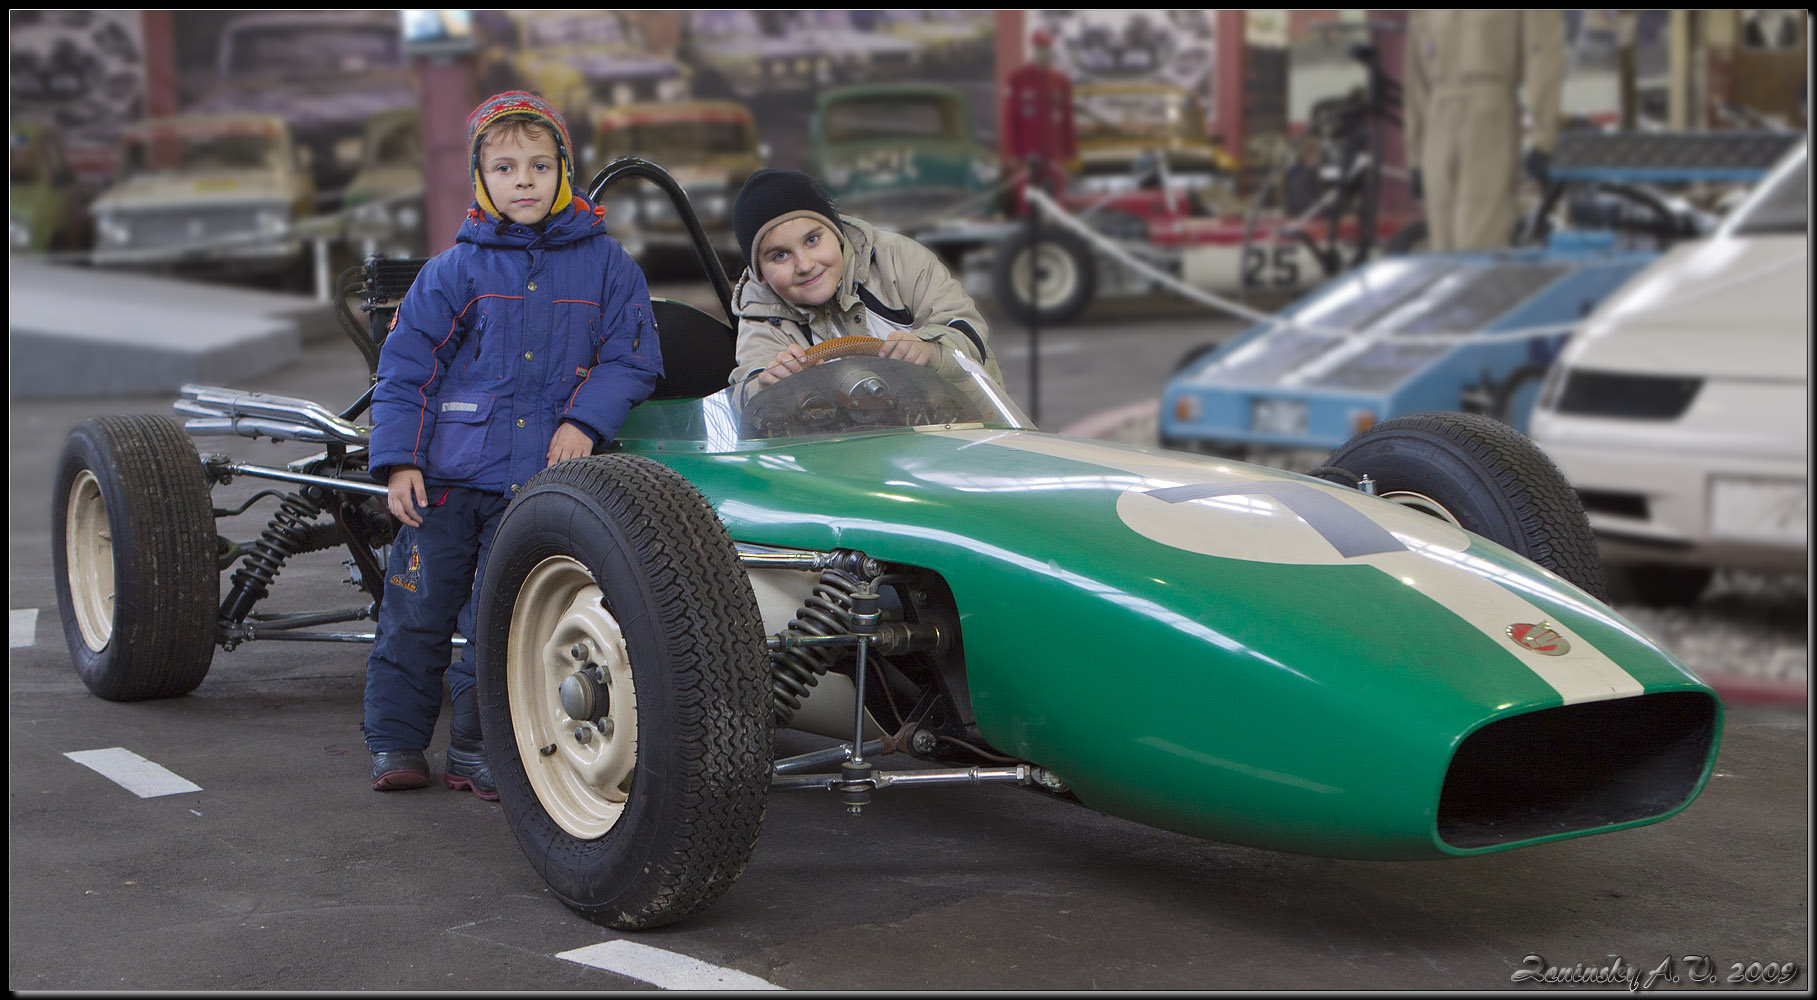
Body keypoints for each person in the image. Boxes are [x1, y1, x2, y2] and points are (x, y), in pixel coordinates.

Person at [362, 91, 662, 798]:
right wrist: (400, 459)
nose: (521, 180)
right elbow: (407, 368)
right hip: (444, 478)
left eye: (536, 164)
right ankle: (396, 742)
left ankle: (477, 747)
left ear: (564, 170)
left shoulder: (607, 266)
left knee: (497, 625)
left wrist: (583, 422)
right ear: (479, 179)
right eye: (502, 168)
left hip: (536, 487)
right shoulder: (455, 271)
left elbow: (633, 358)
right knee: (416, 612)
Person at [727, 167, 1001, 391]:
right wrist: (768, 384)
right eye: (780, 256)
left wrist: (928, 349)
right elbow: (747, 386)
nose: (805, 265)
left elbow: (969, 331)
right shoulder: (759, 313)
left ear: (837, 232)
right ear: (759, 274)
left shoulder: (896, 258)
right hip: (847, 448)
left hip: (966, 426)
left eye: (812, 240)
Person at [1403, 11, 1566, 252]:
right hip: (1437, 117)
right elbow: (1415, 78)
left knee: (1481, 240)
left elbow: (1542, 55)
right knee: (1442, 247)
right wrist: (1415, 156)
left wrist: (1545, 137)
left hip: (1489, 118)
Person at [1002, 28, 1076, 203]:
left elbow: (1067, 117)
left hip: (1054, 152)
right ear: (1032, 49)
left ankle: (1055, 226)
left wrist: (1070, 151)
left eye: (1046, 48)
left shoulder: (1061, 80)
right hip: (1026, 152)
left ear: (1051, 50)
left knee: (1056, 199)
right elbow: (1010, 119)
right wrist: (1012, 152)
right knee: (1026, 199)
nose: (1043, 52)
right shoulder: (1017, 79)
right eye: (1039, 48)